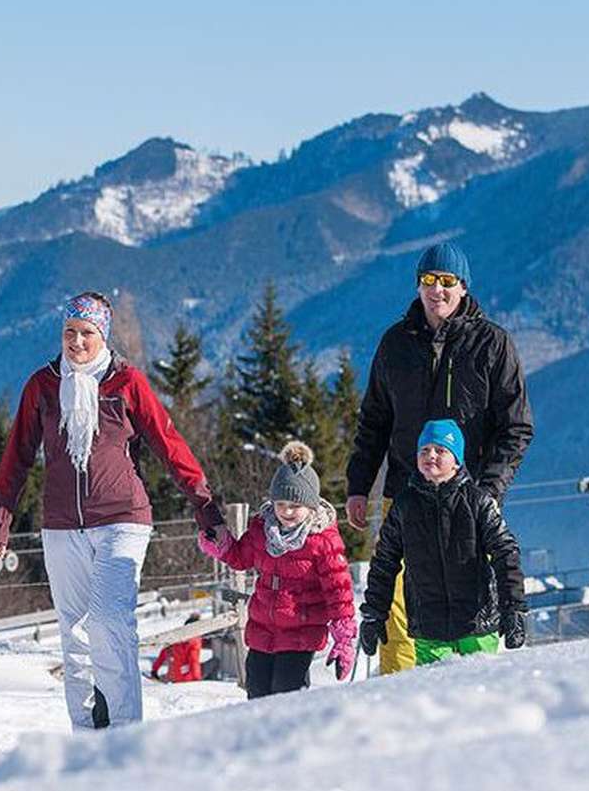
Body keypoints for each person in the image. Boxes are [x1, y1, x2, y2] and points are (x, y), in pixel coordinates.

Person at [0, 291, 225, 730]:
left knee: (110, 622)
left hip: (122, 518)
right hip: (60, 525)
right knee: (73, 635)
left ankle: (124, 732)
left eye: (87, 334)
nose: (76, 342)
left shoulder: (126, 382)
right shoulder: (43, 385)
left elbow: (169, 444)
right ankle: (86, 735)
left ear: (103, 336)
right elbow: (16, 455)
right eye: (69, 332)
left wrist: (203, 504)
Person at [345, 241, 533, 674]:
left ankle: (473, 690)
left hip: (470, 501)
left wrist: (488, 490)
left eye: (448, 282)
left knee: (468, 601)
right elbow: (373, 421)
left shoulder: (492, 344)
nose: (438, 290)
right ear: (418, 285)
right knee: (397, 601)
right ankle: (401, 694)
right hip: (404, 495)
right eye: (429, 280)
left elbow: (517, 426)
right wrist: (358, 486)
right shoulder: (395, 345)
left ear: (464, 287)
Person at [359, 419, 527, 666]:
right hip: (429, 626)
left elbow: (505, 551)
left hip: (476, 621)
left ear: (456, 459)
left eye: (441, 450)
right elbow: (384, 562)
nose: (431, 456)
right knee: (436, 696)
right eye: (424, 450)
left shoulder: (478, 502)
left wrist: (513, 607)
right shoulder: (404, 506)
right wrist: (374, 614)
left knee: (481, 693)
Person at [201, 441, 356, 698]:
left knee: (286, 693)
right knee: (257, 692)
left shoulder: (322, 540)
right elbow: (241, 557)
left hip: (301, 633)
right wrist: (221, 544)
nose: (286, 511)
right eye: (281, 503)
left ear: (311, 506)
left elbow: (339, 590)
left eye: (295, 505)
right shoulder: (263, 529)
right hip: (262, 629)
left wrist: (344, 639)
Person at [151, 614, 204, 683]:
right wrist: (197, 678)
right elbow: (194, 661)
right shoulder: (195, 641)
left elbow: (163, 654)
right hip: (188, 678)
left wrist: (154, 670)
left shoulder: (175, 639)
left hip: (174, 676)